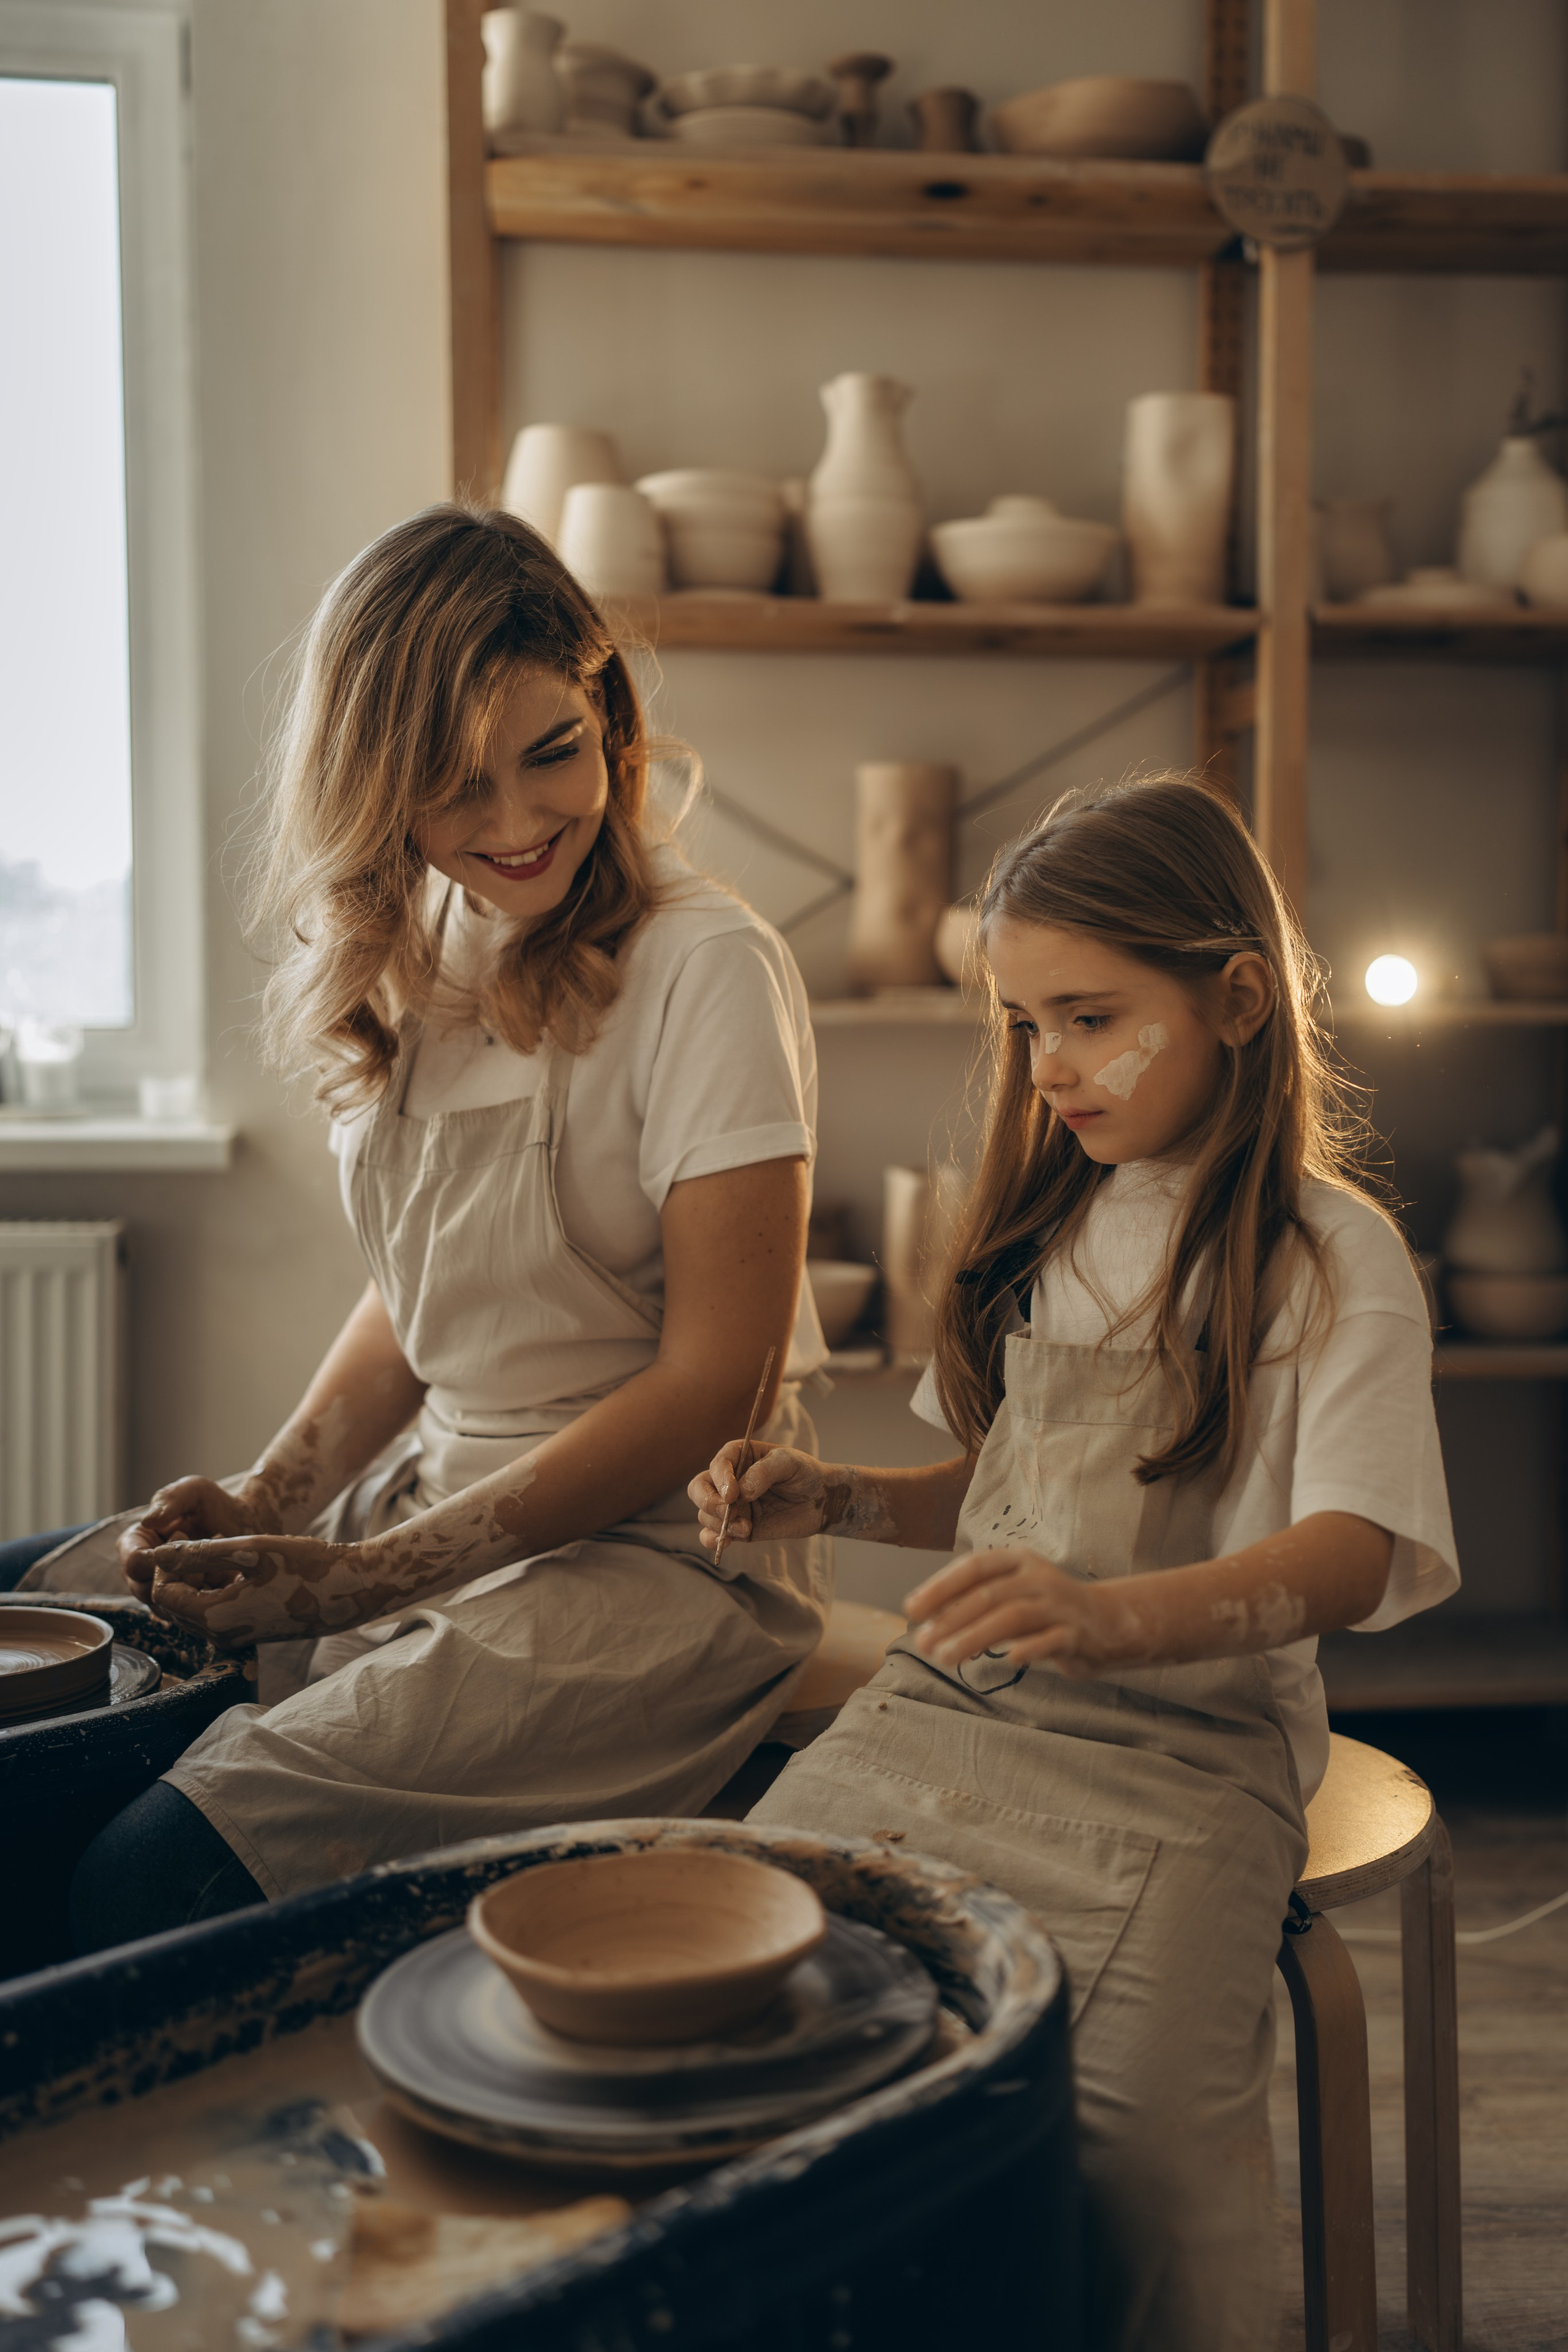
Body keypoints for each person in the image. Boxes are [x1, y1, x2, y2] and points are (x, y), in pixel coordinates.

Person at [689, 777, 1458, 2352]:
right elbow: (1001, 1497)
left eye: (1089, 1017)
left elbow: (1345, 1552)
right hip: (949, 1713)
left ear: (1235, 998)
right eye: (1024, 1025)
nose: (1048, 1071)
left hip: (1189, 1761)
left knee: (1129, 2170)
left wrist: (1109, 1619)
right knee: (743, 2025)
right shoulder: (1050, 1232)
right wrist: (828, 1494)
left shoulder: (1331, 1257)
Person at [24, 505, 831, 1946]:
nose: (518, 825)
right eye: (456, 787)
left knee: (142, 1877)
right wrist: (275, 1499)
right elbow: (425, 1292)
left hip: (659, 1567)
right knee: (29, 1611)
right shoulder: (418, 948)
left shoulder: (704, 968)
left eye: (553, 754)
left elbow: (718, 1381)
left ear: (609, 720)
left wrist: (361, 1577)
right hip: (440, 1517)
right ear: (371, 788)